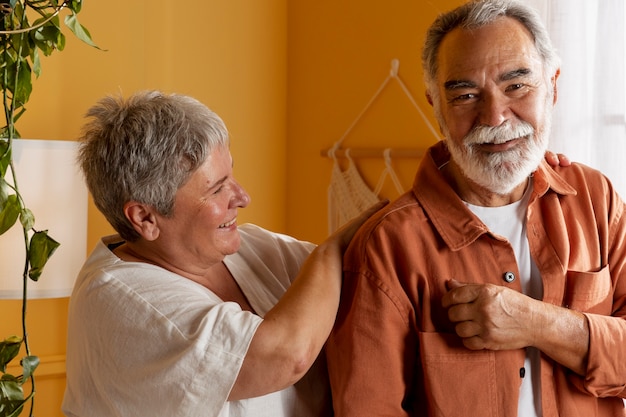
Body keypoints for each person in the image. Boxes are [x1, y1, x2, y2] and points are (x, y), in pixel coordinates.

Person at [325, 1, 626, 416]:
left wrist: (534, 321)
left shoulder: (596, 200)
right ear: (436, 105)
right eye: (466, 95)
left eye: (516, 86)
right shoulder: (388, 245)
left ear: (553, 86)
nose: (496, 116)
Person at [61, 90, 385, 417]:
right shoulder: (120, 302)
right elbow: (286, 356)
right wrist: (330, 248)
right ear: (145, 218)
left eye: (231, 175)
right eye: (217, 189)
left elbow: (368, 276)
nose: (242, 197)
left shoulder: (249, 248)